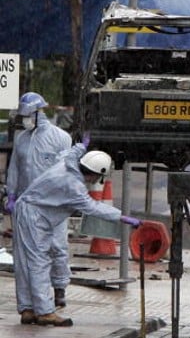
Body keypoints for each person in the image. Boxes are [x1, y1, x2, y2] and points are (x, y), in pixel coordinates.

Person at [12, 140, 142, 327]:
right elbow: (94, 208)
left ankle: (27, 309)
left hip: (27, 211)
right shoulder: (74, 187)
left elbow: (71, 153)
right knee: (39, 263)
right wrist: (123, 217)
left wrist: (82, 144)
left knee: (24, 262)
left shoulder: (67, 163)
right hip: (35, 218)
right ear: (96, 174)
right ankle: (45, 312)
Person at [5, 92, 72, 308]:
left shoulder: (60, 138)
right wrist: (11, 194)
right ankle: (33, 301)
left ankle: (59, 288)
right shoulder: (21, 140)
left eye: (27, 116)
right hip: (27, 206)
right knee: (29, 254)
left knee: (57, 247)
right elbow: (14, 168)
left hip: (54, 205)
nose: (25, 120)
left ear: (37, 113)